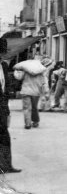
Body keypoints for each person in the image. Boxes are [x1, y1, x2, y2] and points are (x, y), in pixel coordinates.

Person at [0, 39, 21, 173]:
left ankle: (6, 166)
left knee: (4, 136)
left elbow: (6, 87)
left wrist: (6, 108)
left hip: (2, 107)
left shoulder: (3, 65)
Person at [13, 59, 46, 130]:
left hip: (26, 91)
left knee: (26, 108)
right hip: (36, 92)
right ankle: (35, 121)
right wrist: (44, 93)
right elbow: (43, 83)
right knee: (34, 107)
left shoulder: (26, 71)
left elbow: (18, 77)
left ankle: (27, 124)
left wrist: (16, 71)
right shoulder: (40, 73)